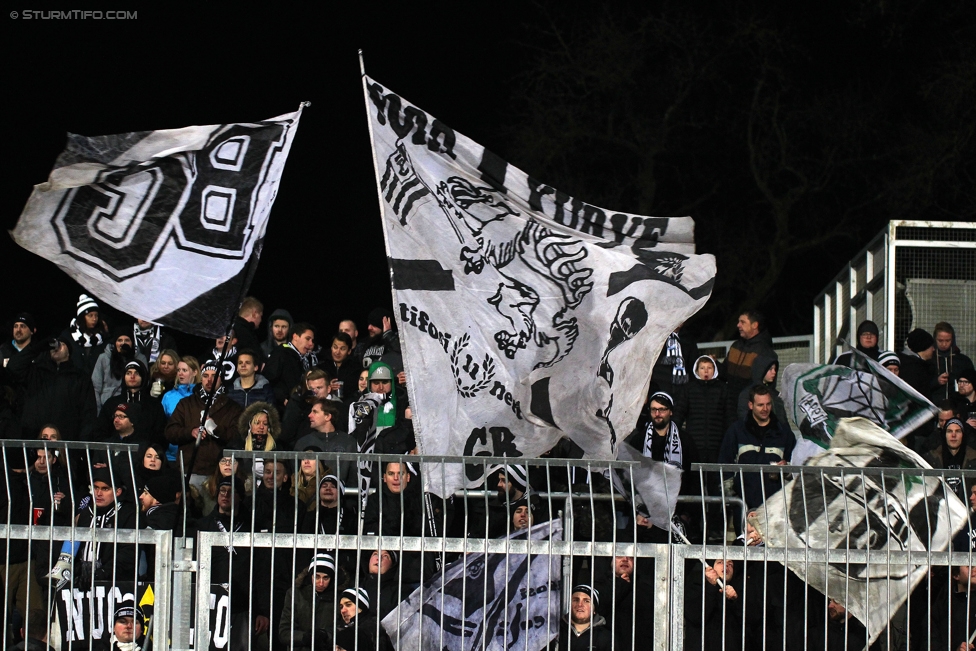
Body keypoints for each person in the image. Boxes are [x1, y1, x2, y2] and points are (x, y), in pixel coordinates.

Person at [197, 475, 271, 649]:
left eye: (231, 492)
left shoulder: (253, 526)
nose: (225, 495)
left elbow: (263, 571)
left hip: (245, 607)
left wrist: (263, 611)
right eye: (222, 490)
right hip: (211, 604)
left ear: (240, 497)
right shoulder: (204, 525)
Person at [165, 360, 243, 507]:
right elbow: (170, 432)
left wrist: (215, 429)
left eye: (214, 376)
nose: (210, 380)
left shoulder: (233, 407)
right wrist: (190, 432)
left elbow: (237, 437)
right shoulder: (186, 404)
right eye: (206, 375)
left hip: (217, 475)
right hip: (190, 470)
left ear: (222, 378)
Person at [624, 391, 700, 541]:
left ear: (670, 412)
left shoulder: (685, 441)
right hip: (645, 514)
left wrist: (686, 513)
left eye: (662, 409)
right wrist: (638, 511)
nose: (658, 413)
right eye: (654, 409)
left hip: (676, 512)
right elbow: (629, 478)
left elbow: (693, 479)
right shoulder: (638, 440)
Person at [6, 335, 97, 445]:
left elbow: (88, 413)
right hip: (33, 438)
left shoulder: (80, 377)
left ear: (69, 352)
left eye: (62, 345)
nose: (57, 347)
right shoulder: (36, 371)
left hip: (66, 441)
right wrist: (36, 348)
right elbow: (13, 367)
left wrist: (82, 445)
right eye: (54, 346)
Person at [718, 385, 795, 511]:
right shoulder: (737, 431)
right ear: (750, 405)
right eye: (760, 405)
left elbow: (796, 465)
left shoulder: (784, 433)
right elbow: (724, 464)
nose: (765, 409)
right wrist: (733, 497)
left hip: (775, 507)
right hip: (743, 506)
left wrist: (786, 468)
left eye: (768, 404)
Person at [96, 359, 167, 446]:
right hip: (115, 454)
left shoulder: (154, 405)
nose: (132, 376)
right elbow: (100, 433)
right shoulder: (111, 403)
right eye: (128, 373)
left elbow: (161, 435)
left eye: (136, 373)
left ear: (143, 377)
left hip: (145, 455)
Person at [278, 553, 340, 651]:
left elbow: (344, 629)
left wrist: (326, 635)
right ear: (310, 575)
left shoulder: (340, 597)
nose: (321, 583)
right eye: (317, 577)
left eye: (326, 578)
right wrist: (305, 637)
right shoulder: (295, 594)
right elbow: (284, 632)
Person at [297, 399, 358, 490]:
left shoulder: (349, 442)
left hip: (343, 499)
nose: (309, 415)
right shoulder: (303, 443)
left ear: (327, 416)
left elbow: (354, 476)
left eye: (315, 412)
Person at [722, 310, 775, 403]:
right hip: (731, 404)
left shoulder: (764, 350)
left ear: (754, 325)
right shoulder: (736, 346)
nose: (738, 325)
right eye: (739, 322)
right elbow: (725, 372)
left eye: (742, 322)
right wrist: (713, 364)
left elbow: (766, 384)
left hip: (750, 404)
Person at [265, 323, 317, 407]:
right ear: (295, 337)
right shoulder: (280, 354)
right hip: (282, 409)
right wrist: (282, 398)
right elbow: (268, 381)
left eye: (312, 340)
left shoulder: (307, 358)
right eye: (307, 339)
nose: (311, 344)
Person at [923, 419, 976, 503]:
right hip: (941, 508)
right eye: (949, 431)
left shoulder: (973, 458)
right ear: (945, 435)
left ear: (963, 435)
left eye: (958, 431)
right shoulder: (931, 458)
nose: (953, 435)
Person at [92, 327, 144, 408]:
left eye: (127, 340)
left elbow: (144, 384)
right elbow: (95, 387)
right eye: (119, 340)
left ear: (132, 342)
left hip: (133, 405)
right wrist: (98, 409)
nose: (123, 343)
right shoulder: (103, 358)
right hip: (107, 405)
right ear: (115, 342)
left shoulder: (140, 358)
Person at [238, 402, 281, 493]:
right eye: (257, 423)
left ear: (269, 428)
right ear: (250, 425)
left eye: (265, 424)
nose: (261, 427)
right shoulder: (239, 445)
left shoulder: (277, 447)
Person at [62, 293, 108, 375]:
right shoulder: (68, 335)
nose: (94, 319)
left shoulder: (102, 337)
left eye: (96, 315)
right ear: (82, 317)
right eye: (90, 315)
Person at [735, 353, 787, 424]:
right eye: (770, 369)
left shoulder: (776, 394)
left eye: (775, 369)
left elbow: (783, 421)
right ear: (761, 370)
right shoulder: (747, 394)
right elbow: (744, 418)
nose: (774, 372)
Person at [556, 584, 611, 650]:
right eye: (576, 600)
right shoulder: (555, 632)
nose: (580, 604)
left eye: (586, 601)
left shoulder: (605, 637)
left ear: (594, 610)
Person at [932, 321, 975, 404]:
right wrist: (936, 382)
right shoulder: (929, 360)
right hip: (934, 405)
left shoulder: (963, 360)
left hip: (958, 406)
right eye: (940, 340)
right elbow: (922, 385)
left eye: (948, 340)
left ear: (953, 340)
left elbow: (972, 382)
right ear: (934, 340)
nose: (944, 344)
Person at [317, 332, 361, 407]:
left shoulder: (356, 368)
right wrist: (328, 387)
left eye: (342, 349)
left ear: (349, 351)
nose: (337, 352)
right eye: (335, 347)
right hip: (325, 408)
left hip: (348, 408)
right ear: (331, 348)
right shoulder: (321, 367)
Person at [899, 328, 938, 397]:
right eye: (931, 346)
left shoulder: (907, 362)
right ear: (924, 347)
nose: (933, 349)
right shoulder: (914, 368)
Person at [233, 296, 266, 369]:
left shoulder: (231, 328)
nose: (261, 320)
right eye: (260, 316)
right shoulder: (246, 334)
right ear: (254, 314)